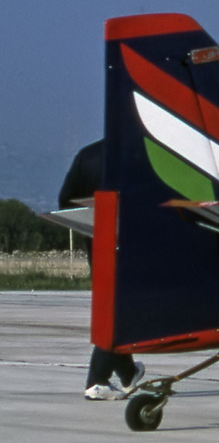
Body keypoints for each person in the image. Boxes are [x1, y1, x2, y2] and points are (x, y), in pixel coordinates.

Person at [60, 140, 144, 400]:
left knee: (111, 305)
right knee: (120, 311)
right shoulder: (137, 152)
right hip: (131, 243)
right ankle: (97, 380)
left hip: (97, 242)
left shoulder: (87, 156)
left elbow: (65, 201)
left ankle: (128, 372)